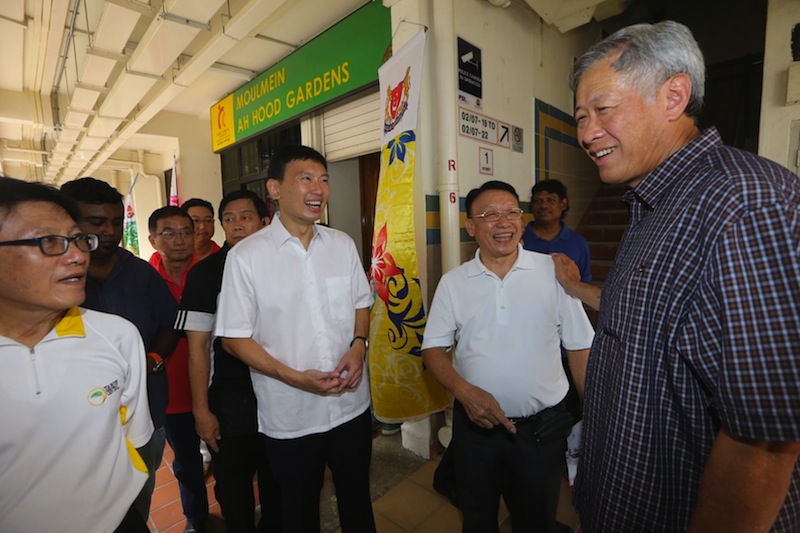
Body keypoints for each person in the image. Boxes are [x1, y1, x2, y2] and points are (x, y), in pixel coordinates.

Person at [569, 21, 800, 531]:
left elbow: (764, 438)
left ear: (674, 95)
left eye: (603, 109)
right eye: (581, 117)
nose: (586, 133)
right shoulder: (651, 205)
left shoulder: (742, 202)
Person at [216, 145, 376, 532]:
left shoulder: (341, 245)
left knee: (357, 501)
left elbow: (360, 303)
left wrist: (359, 345)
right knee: (299, 512)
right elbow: (233, 339)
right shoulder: (246, 258)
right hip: (291, 415)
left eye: (323, 180)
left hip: (351, 405)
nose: (318, 189)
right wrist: (293, 376)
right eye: (305, 178)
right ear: (275, 188)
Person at [421, 180, 594, 533]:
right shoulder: (454, 282)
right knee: (478, 518)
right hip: (476, 432)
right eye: (491, 214)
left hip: (540, 433)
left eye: (512, 212)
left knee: (536, 521)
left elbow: (579, 346)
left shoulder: (553, 272)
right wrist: (464, 392)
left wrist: (591, 417)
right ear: (471, 227)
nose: (504, 222)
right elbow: (432, 350)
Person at [0, 177, 152, 533]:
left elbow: (136, 442)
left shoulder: (116, 336)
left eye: (77, 238)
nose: (77, 255)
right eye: (49, 241)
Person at [60, 177, 178, 522]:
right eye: (97, 222)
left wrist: (152, 360)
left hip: (144, 409)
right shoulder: (54, 277)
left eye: (116, 222)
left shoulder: (140, 273)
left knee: (138, 500)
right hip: (79, 421)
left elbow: (170, 323)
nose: (110, 231)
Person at [176, 190, 280, 532]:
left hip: (281, 396)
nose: (237, 226)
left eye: (245, 217)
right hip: (232, 400)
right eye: (229, 219)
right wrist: (202, 411)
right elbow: (197, 347)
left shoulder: (286, 264)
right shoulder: (206, 274)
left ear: (264, 221)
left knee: (280, 486)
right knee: (235, 492)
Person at [148, 206, 208, 532]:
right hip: (168, 392)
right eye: (169, 233)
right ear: (153, 239)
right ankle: (196, 518)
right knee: (186, 462)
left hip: (213, 386)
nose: (180, 240)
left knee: (228, 458)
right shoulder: (143, 280)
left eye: (186, 231)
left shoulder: (211, 273)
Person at [522, 179, 591, 283]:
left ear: (563, 204)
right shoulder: (519, 239)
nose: (543, 206)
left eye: (551, 200)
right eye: (538, 201)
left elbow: (584, 283)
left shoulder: (578, 243)